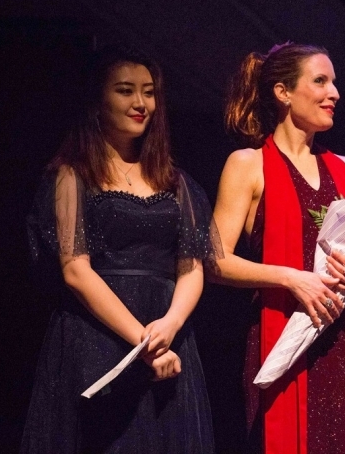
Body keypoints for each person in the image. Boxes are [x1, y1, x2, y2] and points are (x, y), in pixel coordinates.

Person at [22, 46, 219, 453]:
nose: (140, 103)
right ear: (98, 100)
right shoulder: (74, 175)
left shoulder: (176, 181)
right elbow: (75, 270)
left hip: (167, 334)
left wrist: (170, 325)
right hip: (99, 336)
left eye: (148, 92)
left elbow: (192, 267)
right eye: (125, 91)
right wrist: (143, 343)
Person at [210, 43, 345, 453]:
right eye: (320, 81)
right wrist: (291, 278)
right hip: (282, 341)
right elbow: (213, 260)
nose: (334, 93)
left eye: (334, 83)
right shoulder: (248, 164)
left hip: (342, 345)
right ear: (283, 93)